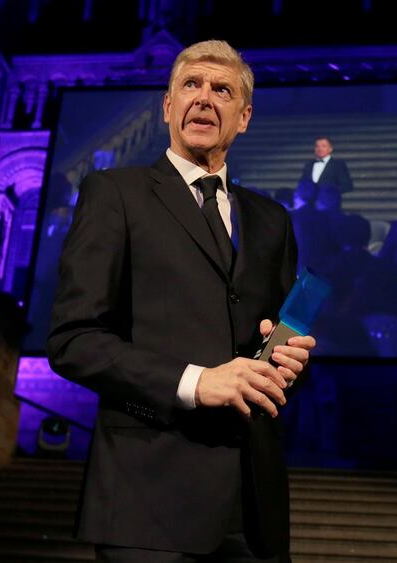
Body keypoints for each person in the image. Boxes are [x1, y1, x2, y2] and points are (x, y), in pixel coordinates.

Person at [47, 40, 316, 562]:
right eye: (191, 85)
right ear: (167, 107)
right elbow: (73, 340)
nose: (204, 98)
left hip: (253, 504)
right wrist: (197, 381)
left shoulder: (271, 220)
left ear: (244, 117)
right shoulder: (115, 193)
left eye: (222, 90)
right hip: (147, 500)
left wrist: (289, 357)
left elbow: (277, 337)